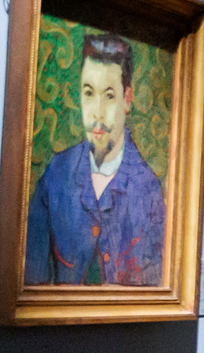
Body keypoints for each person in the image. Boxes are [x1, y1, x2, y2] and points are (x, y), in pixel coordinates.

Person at [25, 33, 166, 286]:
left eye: (109, 96)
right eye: (89, 93)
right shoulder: (56, 175)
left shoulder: (148, 191)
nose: (97, 113)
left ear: (127, 99)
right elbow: (30, 282)